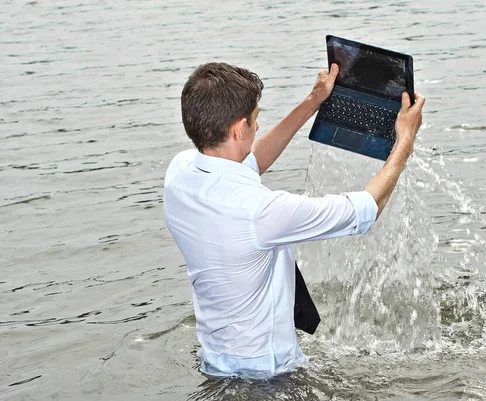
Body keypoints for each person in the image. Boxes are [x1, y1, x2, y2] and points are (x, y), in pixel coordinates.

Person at [163, 62, 425, 377]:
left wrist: (313, 101)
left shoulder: (180, 172)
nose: (258, 127)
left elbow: (249, 161)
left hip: (215, 361)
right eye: (255, 119)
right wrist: (403, 145)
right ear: (238, 129)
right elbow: (366, 209)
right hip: (267, 375)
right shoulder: (262, 212)